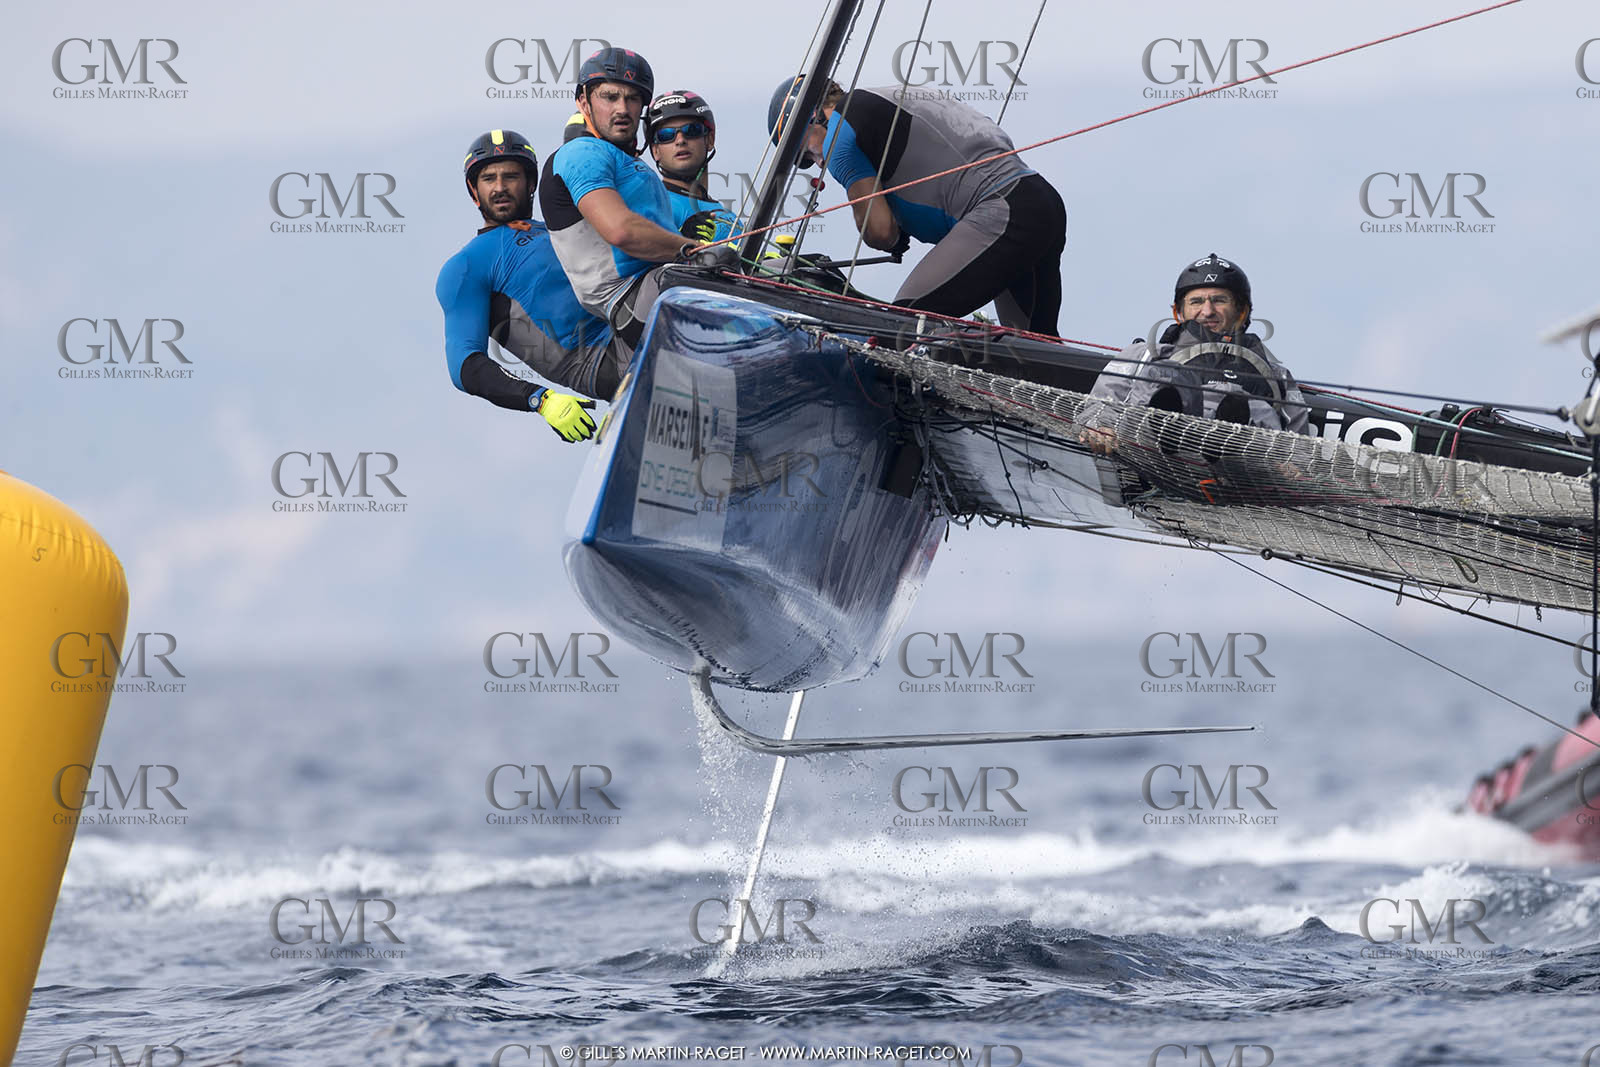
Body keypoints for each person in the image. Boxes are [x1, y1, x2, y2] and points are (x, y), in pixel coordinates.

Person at [767, 76, 1067, 335]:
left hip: (1002, 213)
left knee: (904, 325)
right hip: (1039, 200)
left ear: (813, 115)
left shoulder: (839, 131)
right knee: (1033, 350)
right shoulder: (888, 95)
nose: (818, 162)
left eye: (806, 150)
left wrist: (893, 238)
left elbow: (880, 230)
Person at [540, 48, 738, 354]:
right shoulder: (581, 152)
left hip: (661, 284)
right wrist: (692, 249)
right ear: (583, 102)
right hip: (634, 299)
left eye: (632, 98)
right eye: (610, 97)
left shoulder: (627, 161)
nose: (622, 108)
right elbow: (621, 231)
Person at [434, 128, 614, 441]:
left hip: (640, 327)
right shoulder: (465, 266)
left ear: (531, 184)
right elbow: (465, 366)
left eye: (511, 176)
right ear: (473, 190)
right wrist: (540, 399)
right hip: (601, 362)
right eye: (488, 178)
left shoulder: (560, 228)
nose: (500, 187)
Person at [1079, 254, 1310, 455]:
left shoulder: (1276, 374)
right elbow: (1102, 402)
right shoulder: (1143, 354)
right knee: (1167, 375)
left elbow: (1299, 442)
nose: (1207, 311)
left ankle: (1223, 436)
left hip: (1244, 461)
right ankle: (1171, 429)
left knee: (1251, 405)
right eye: (1196, 302)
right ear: (1178, 312)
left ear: (1241, 311)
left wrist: (1292, 464)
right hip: (1153, 451)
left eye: (1219, 300)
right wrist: (1100, 426)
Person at [644, 90, 740, 244]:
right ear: (655, 150)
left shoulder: (731, 218)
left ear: (710, 140)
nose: (680, 140)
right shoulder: (652, 205)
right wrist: (680, 242)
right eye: (666, 135)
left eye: (691, 130)